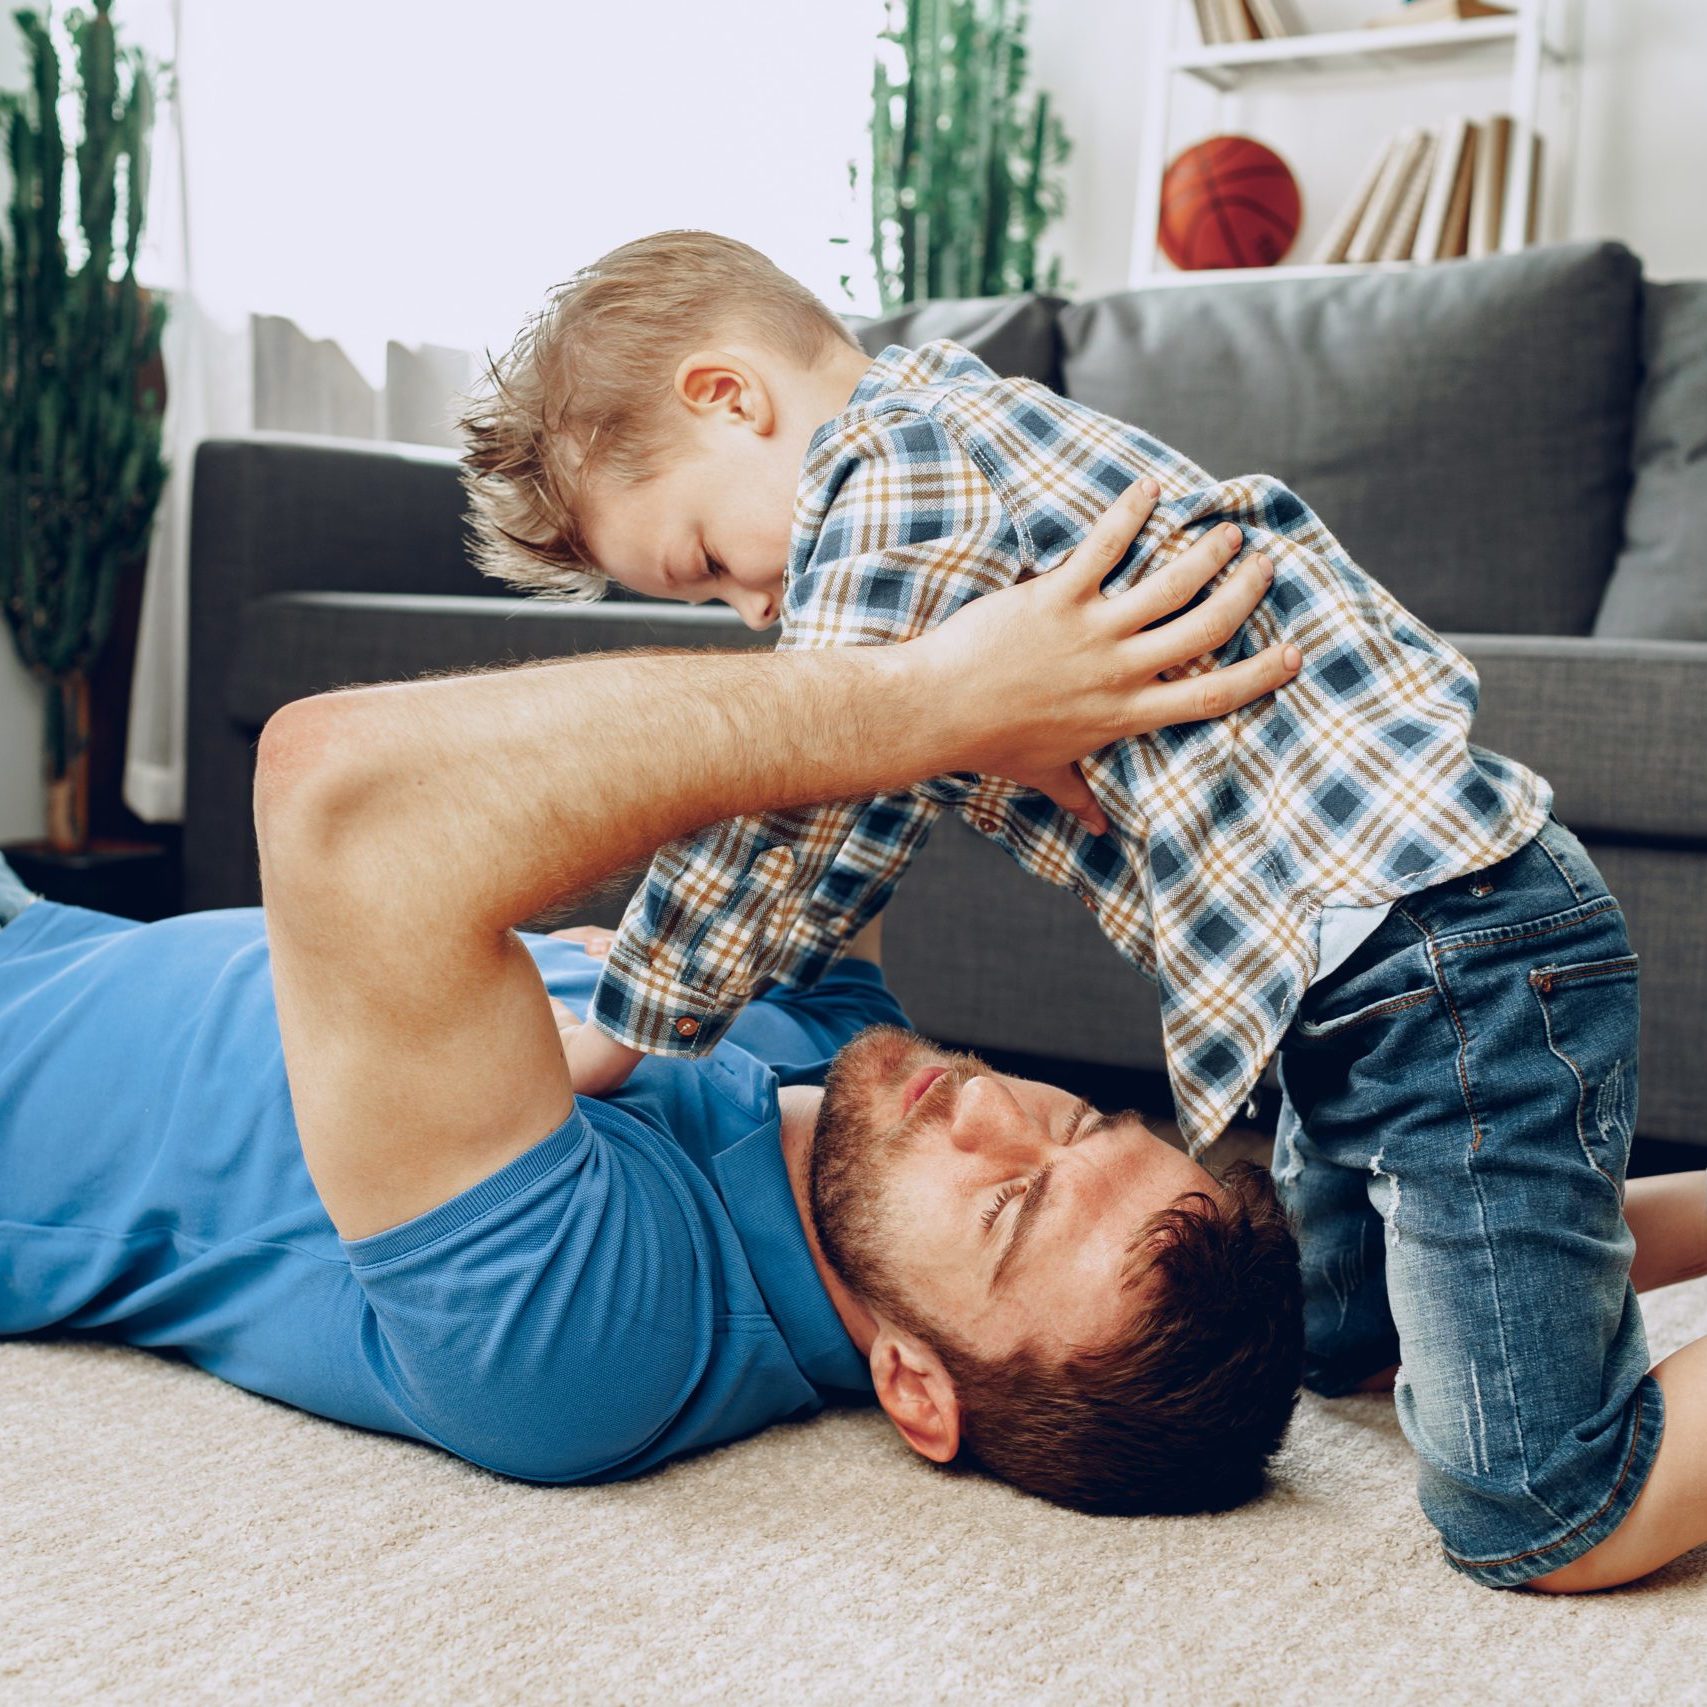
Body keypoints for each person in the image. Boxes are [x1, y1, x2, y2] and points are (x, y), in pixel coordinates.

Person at [457, 230, 1707, 1591]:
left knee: (1541, 1507)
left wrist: (632, 1021)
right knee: (1335, 1326)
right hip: (1376, 977)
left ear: (729, 396)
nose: (755, 611)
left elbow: (801, 810)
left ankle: (1557, 1430)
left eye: (704, 561)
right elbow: (880, 791)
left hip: (1443, 956)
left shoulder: (892, 479)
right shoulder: (962, 455)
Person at [0, 494, 1307, 1517]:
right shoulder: (848, 1074)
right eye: (1074, 1123)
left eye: (1009, 1204)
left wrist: (936, 702)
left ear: (916, 1384)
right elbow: (850, 697)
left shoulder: (595, 1343)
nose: (989, 1113)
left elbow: (341, 797)